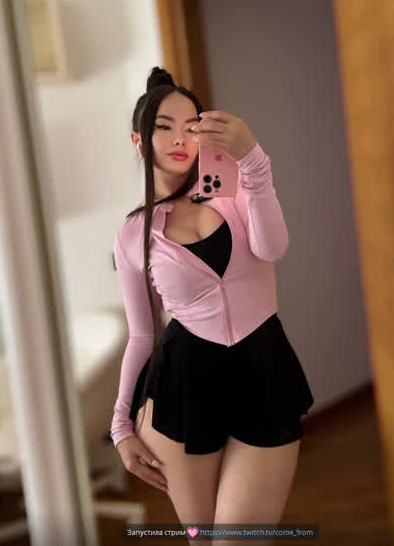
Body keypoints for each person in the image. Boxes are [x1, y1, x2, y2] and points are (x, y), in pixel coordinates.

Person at [110, 66, 314, 541]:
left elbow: (273, 247)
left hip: (264, 373)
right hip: (183, 389)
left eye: (191, 125)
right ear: (139, 140)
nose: (180, 138)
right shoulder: (132, 233)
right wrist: (121, 424)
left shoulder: (235, 189)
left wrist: (255, 161)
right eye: (164, 127)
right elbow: (144, 334)